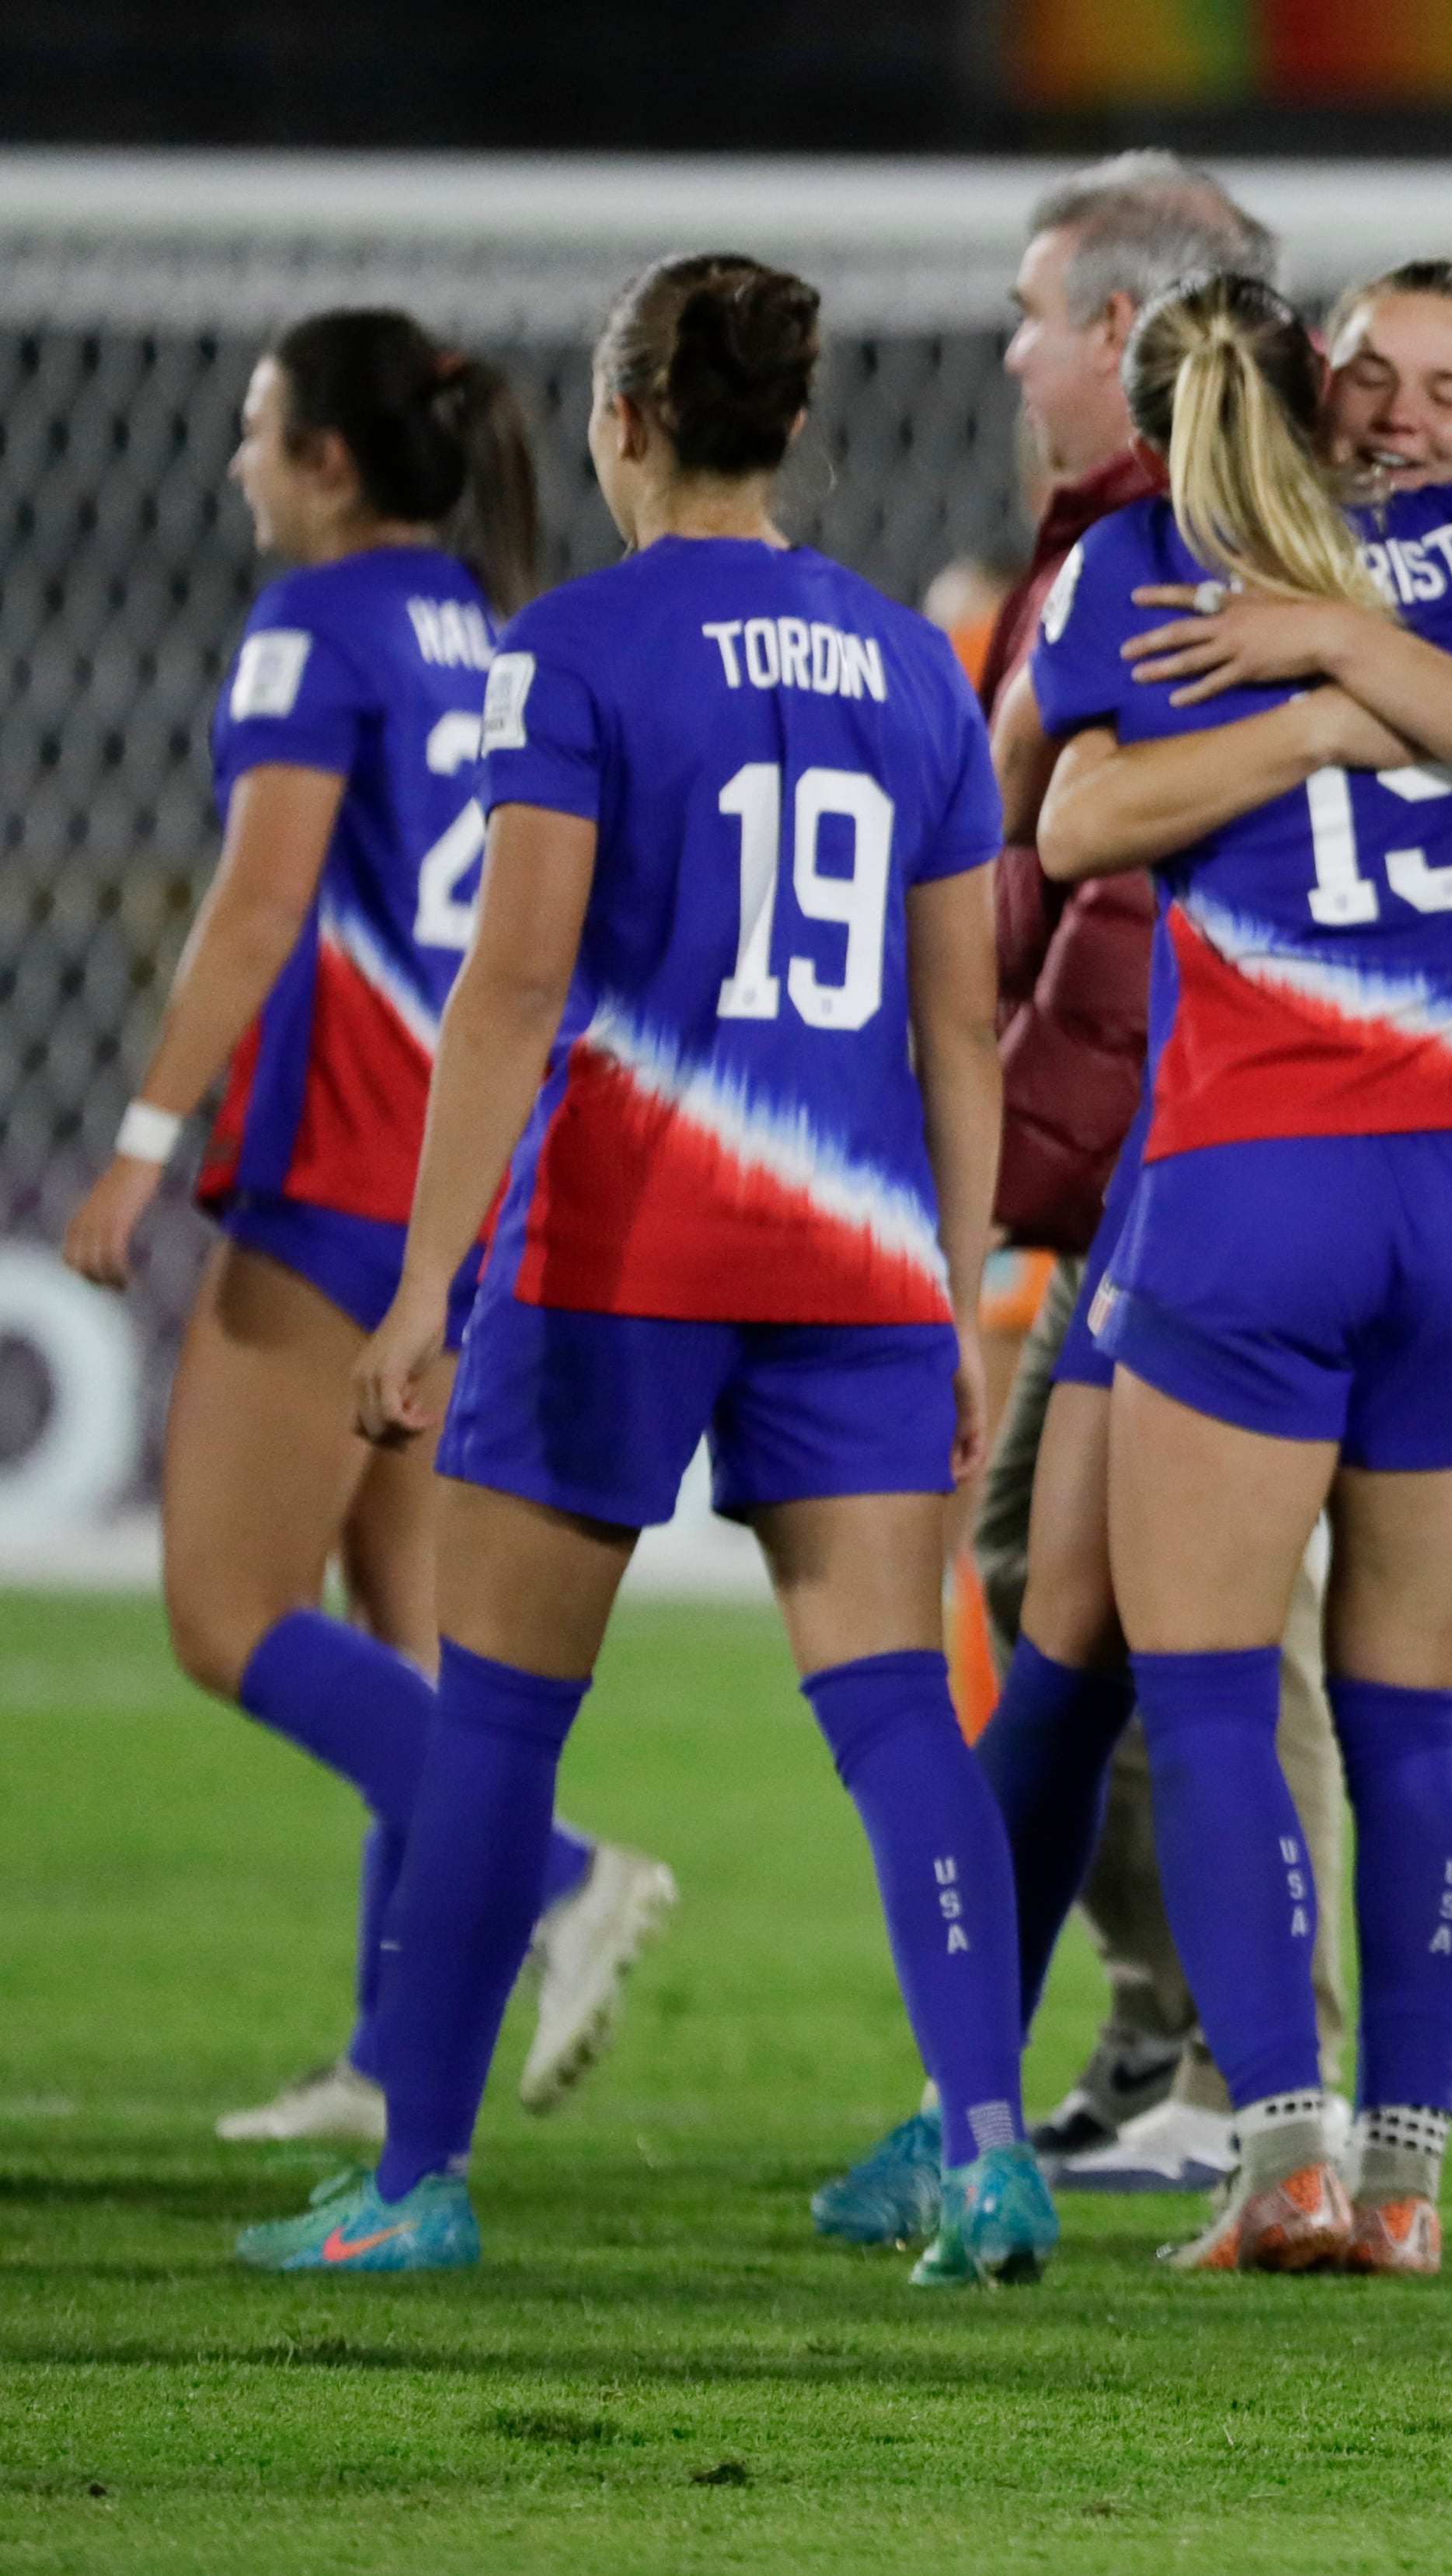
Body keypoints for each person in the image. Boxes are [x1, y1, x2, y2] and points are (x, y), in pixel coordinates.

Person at [232, 254, 1052, 2286]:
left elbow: (513, 983)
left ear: (621, 423)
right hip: (857, 1248)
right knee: (893, 1717)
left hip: (622, 1239)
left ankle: (416, 2175)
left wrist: (424, 1286)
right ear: (788, 431)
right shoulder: (908, 659)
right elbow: (965, 1026)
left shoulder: (569, 646)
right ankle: (986, 2146)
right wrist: (952, 1294)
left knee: (500, 1718)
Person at [1032, 267, 1452, 2279]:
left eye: (1443, 384)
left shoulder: (1164, 546)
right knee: (1427, 1718)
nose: (1403, 411)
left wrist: (1303, 683)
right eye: (1382, 376)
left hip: (1251, 1172)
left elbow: (1068, 806)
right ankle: (1408, 2181)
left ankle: (1279, 2149)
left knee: (1203, 1692)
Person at [61, 308, 673, 2152]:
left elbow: (254, 911)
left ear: (328, 460)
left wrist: (141, 1137)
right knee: (405, 1634)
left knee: (223, 1612)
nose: (242, 461)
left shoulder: (314, 627)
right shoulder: (481, 632)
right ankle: (400, 2050)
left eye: (259, 429)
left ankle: (558, 1868)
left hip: (338, 1166)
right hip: (462, 1178)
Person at [827, 152, 1355, 2240]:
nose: (1012, 347)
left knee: (1200, 1623)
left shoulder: (1175, 552)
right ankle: (1137, 2048)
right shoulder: (1140, 545)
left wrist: (1041, 1117)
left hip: (1213, 1161)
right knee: (1077, 1591)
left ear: (1132, 334)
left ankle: (1248, 2076)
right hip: (1178, 1153)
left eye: (1038, 312)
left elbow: (1104, 875)